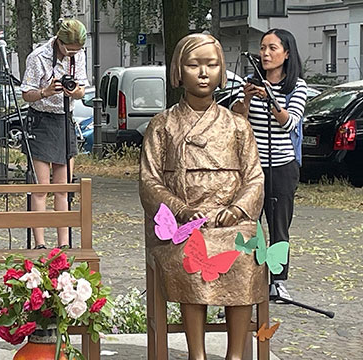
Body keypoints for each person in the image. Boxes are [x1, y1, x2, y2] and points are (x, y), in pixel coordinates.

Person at [140, 34, 266, 359]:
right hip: (183, 225)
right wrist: (180, 209)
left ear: (221, 70)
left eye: (211, 64)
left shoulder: (238, 126)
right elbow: (149, 182)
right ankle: (197, 353)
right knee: (192, 256)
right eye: (194, 65)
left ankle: (235, 354)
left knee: (246, 257)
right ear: (179, 71)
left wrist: (238, 209)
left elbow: (254, 177)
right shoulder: (162, 125)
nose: (203, 72)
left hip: (230, 222)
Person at [231, 29, 307, 302]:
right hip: (252, 167)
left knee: (279, 225)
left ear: (287, 54)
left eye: (272, 48)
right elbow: (238, 120)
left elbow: (289, 122)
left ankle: (278, 281)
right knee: (248, 224)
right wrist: (249, 98)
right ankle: (245, 276)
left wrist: (269, 98)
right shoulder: (252, 82)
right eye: (262, 48)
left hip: (282, 166)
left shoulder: (297, 86)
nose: (265, 54)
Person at [20, 19, 89, 249]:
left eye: (76, 50)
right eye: (69, 49)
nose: (72, 53)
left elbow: (81, 91)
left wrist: (74, 91)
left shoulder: (78, 55)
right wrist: (44, 91)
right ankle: (40, 244)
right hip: (41, 119)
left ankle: (64, 244)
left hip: (64, 119)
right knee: (41, 187)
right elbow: (26, 94)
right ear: (59, 41)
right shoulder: (38, 56)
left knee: (63, 186)